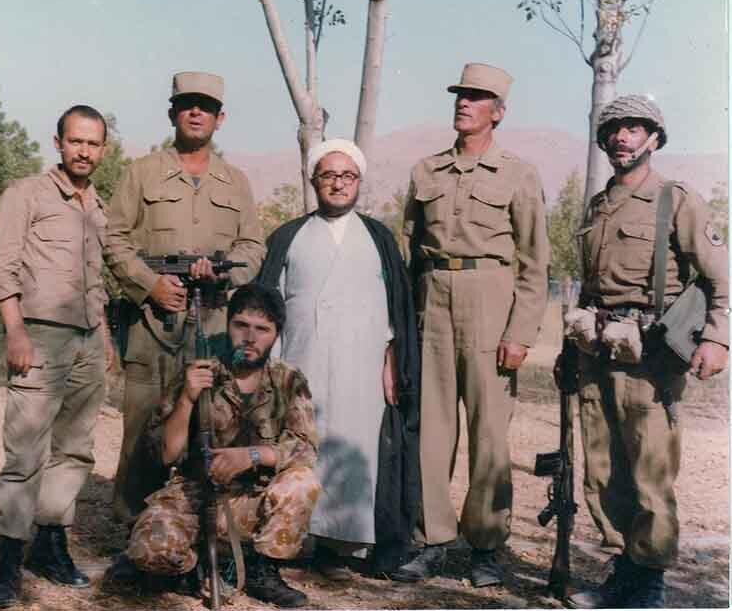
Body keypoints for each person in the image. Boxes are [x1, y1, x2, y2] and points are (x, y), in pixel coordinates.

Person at [565, 95, 728, 609]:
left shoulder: (674, 200)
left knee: (650, 470)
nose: (622, 137)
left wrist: (717, 338)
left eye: (634, 128)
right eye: (614, 129)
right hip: (598, 351)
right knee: (603, 468)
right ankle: (624, 573)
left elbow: (721, 275)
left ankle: (649, 583)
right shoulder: (598, 205)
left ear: (654, 138)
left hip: (651, 357)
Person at [394, 63, 549, 587]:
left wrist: (520, 332)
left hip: (491, 298)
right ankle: (433, 540)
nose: (464, 103)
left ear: (498, 112)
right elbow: (409, 250)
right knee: (432, 430)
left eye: (477, 97)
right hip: (433, 298)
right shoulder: (426, 171)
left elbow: (535, 262)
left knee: (489, 433)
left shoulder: (518, 174)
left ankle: (485, 545)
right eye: (460, 95)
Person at [103, 71, 265, 527]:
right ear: (172, 113)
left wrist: (225, 275)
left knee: (210, 427)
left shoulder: (236, 182)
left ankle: (199, 533)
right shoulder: (141, 173)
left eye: (206, 107)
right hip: (153, 326)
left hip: (213, 326)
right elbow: (114, 239)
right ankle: (136, 535)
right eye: (188, 104)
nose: (197, 113)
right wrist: (149, 284)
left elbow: (254, 247)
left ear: (220, 118)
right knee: (143, 431)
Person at [256, 139, 420, 578]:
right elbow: (268, 309)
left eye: (347, 175)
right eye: (328, 175)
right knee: (302, 447)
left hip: (361, 367)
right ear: (313, 181)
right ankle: (290, 539)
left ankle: (341, 547)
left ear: (359, 182)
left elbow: (396, 313)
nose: (338, 183)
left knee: (354, 447)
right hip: (301, 363)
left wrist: (392, 361)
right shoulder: (289, 236)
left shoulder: (379, 238)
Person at [105, 284, 321, 608]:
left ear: (276, 334)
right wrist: (187, 398)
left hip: (255, 497)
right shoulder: (200, 372)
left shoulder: (288, 379)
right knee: (147, 551)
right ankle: (196, 569)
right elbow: (167, 453)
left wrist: (251, 455)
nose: (250, 337)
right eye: (241, 325)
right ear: (228, 324)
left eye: (262, 329)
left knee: (302, 482)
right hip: (198, 493)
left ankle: (263, 570)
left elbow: (305, 447)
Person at [0, 105, 115, 608]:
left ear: (103, 150)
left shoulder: (98, 206)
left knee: (75, 449)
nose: (84, 151)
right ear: (58, 143)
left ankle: (50, 545)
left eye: (93, 144)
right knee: (25, 451)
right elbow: (1, 265)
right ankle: (8, 561)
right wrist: (15, 329)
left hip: (88, 339)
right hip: (39, 335)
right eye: (76, 141)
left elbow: (95, 279)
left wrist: (103, 336)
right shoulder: (26, 194)